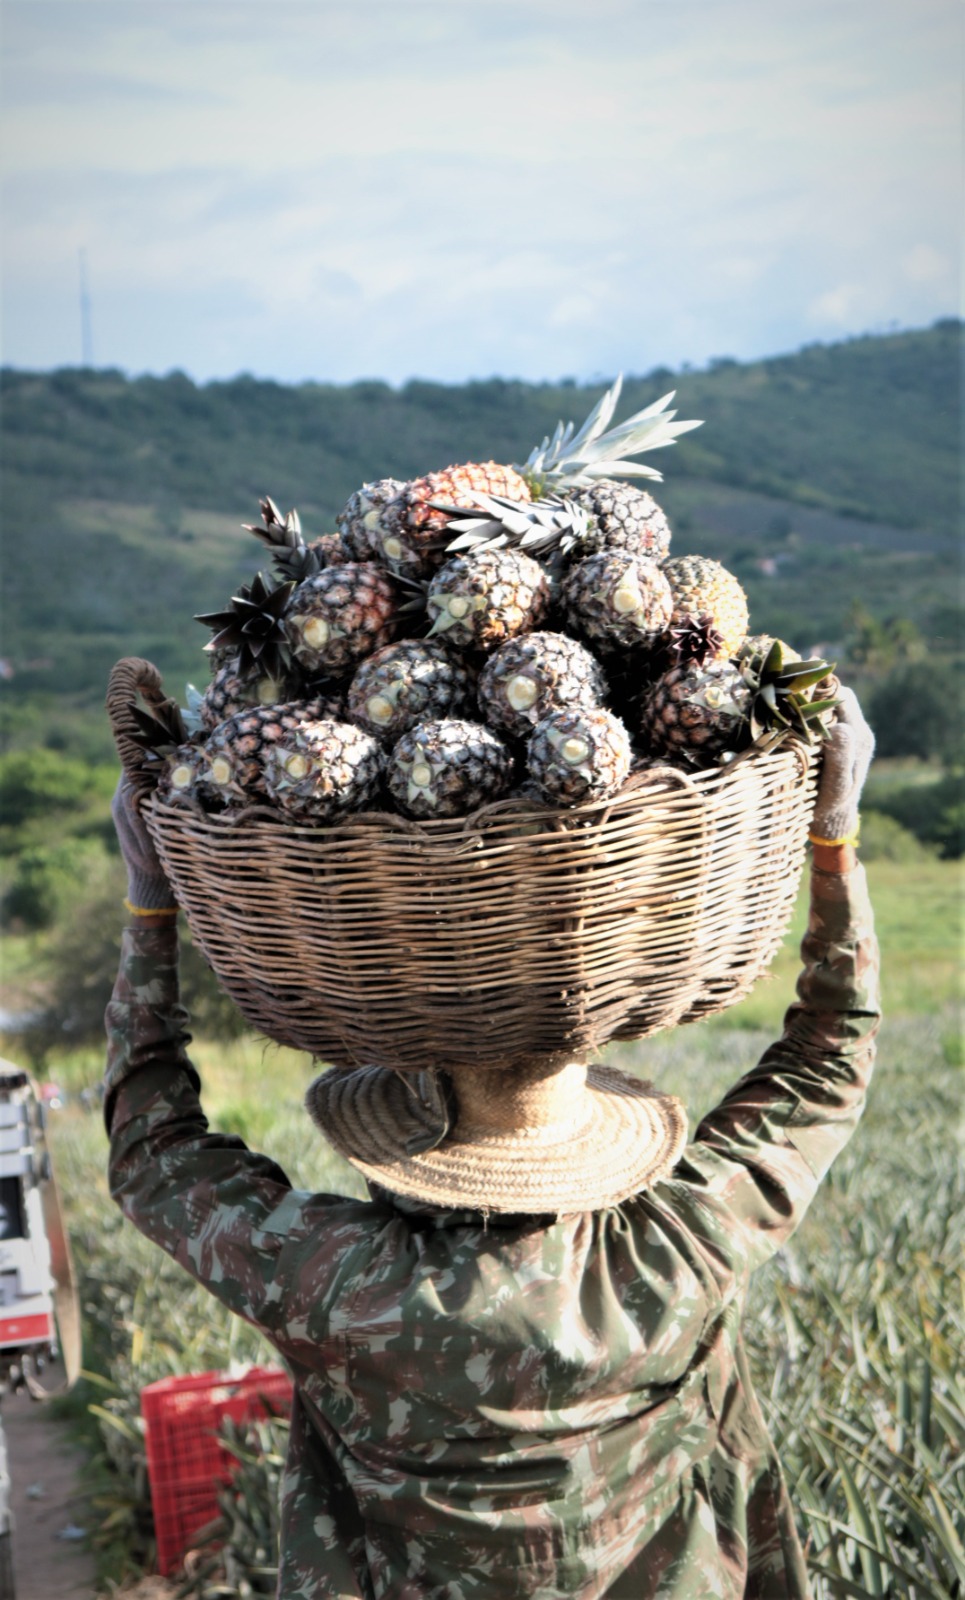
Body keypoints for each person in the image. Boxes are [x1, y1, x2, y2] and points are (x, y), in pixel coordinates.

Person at [105, 691, 879, 1599]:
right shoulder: (680, 1255)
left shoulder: (338, 1286)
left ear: (408, 1146)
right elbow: (827, 1063)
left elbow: (151, 1147)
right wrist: (831, 843)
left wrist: (152, 905)